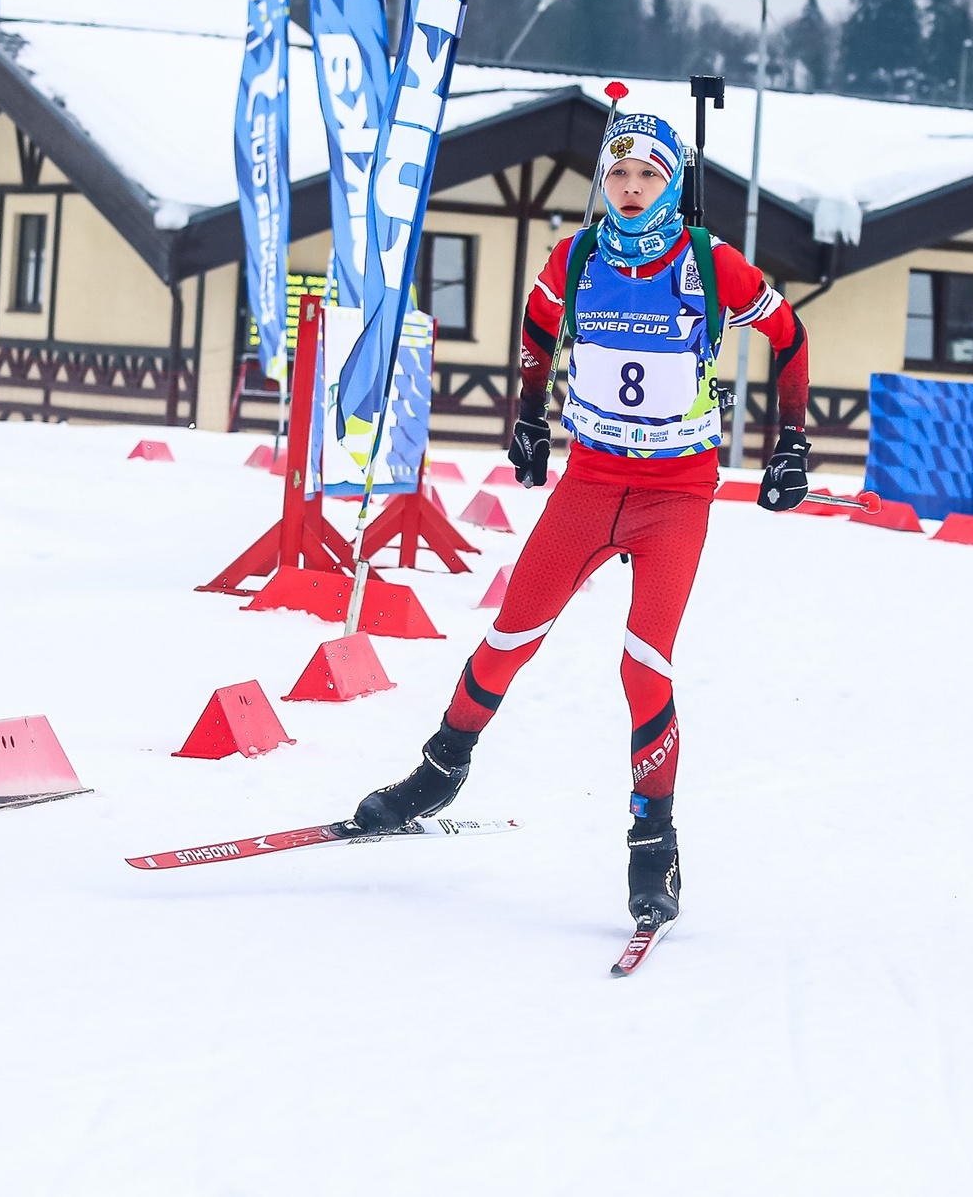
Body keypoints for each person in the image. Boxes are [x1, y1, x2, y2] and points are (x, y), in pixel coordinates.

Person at [344, 110, 813, 930]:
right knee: (511, 632)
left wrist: (792, 443)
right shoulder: (581, 255)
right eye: (619, 175)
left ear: (671, 182)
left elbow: (789, 333)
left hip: (675, 495)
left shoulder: (710, 263)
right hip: (591, 482)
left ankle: (654, 841)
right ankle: (439, 768)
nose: (632, 191)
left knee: (643, 663)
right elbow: (537, 323)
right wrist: (530, 413)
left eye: (650, 176)